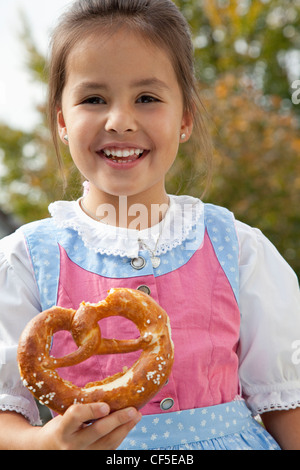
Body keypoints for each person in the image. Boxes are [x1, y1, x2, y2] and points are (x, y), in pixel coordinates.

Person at [0, 0, 300, 451]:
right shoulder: (26, 259)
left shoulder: (237, 248)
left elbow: (286, 407)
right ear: (63, 121)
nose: (120, 121)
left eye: (147, 98)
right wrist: (44, 443)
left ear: (184, 119)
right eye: (94, 99)